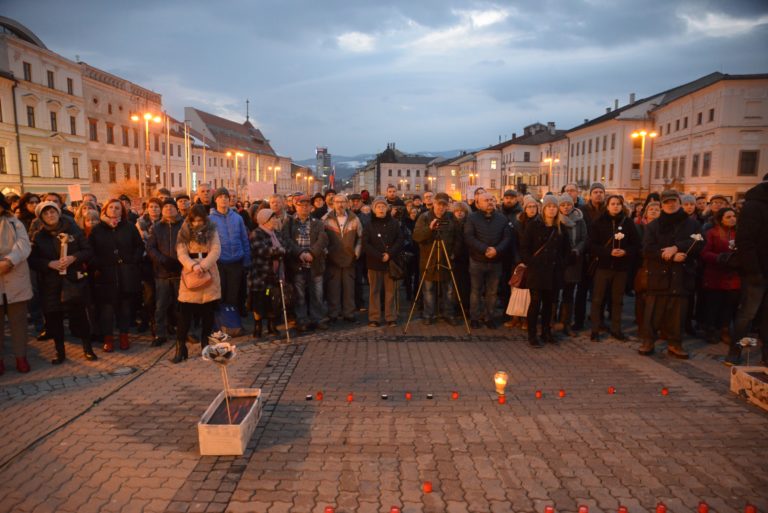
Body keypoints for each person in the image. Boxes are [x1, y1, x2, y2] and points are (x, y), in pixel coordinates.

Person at [29, 201, 96, 363]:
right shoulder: (39, 236)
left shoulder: (73, 230)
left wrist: (74, 258)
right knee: (54, 318)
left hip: (73, 281)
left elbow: (88, 251)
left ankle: (88, 349)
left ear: (59, 213)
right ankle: (60, 352)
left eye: (53, 212)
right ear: (41, 218)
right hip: (51, 284)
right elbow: (33, 260)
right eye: (46, 213)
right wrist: (48, 264)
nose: (50, 215)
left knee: (80, 317)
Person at [638, 190, 702, 359]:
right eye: (666, 202)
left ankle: (675, 343)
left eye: (673, 201)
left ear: (679, 202)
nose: (670, 204)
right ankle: (648, 341)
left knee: (678, 312)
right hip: (659, 273)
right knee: (653, 311)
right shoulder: (653, 225)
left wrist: (677, 247)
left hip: (682, 274)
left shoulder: (692, 224)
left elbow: (699, 243)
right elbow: (647, 250)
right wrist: (671, 256)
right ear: (661, 204)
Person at [88, 198, 143, 352]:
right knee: (107, 310)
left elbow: (139, 246)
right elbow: (90, 251)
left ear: (122, 211)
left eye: (117, 208)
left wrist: (132, 261)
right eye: (110, 207)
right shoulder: (97, 229)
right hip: (105, 276)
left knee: (125, 309)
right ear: (104, 210)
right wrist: (99, 263)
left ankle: (124, 336)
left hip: (126, 275)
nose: (114, 210)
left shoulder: (129, 227)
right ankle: (108, 338)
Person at [726, 176, 768, 366]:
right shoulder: (754, 206)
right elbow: (745, 242)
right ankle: (736, 349)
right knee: (747, 315)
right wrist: (754, 271)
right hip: (757, 271)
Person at [587, 195, 639, 342]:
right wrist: (608, 252)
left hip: (621, 268)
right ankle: (595, 329)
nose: (616, 206)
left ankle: (616, 329)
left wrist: (626, 252)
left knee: (617, 300)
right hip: (603, 266)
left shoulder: (628, 223)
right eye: (613, 204)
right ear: (607, 206)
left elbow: (635, 244)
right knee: (598, 299)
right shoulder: (598, 222)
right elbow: (591, 245)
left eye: (618, 204)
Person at [520, 195, 570, 347]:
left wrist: (562, 263)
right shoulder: (534, 226)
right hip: (537, 272)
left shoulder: (561, 228)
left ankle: (546, 332)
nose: (552, 209)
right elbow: (525, 248)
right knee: (535, 303)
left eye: (554, 207)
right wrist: (532, 262)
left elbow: (566, 250)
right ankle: (532, 334)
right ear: (543, 209)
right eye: (549, 206)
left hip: (554, 272)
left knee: (550, 304)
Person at [174, 204, 221, 363]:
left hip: (209, 273)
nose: (197, 223)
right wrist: (193, 265)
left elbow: (216, 249)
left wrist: (204, 265)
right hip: (190, 274)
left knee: (208, 313)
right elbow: (181, 252)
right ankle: (181, 346)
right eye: (194, 220)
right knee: (184, 314)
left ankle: (205, 344)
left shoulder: (212, 230)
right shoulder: (183, 231)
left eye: (200, 220)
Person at [464, 192, 513, 329]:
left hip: (496, 261)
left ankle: (489, 317)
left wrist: (497, 250)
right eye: (486, 200)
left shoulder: (502, 218)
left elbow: (507, 238)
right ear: (478, 203)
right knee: (476, 290)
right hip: (477, 260)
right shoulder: (472, 218)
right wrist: (486, 249)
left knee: (492, 291)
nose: (490, 202)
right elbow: (469, 237)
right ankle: (475, 317)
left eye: (492, 199)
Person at [412, 192, 461, 325]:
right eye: (438, 204)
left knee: (449, 290)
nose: (441, 207)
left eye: (444, 205)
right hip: (429, 258)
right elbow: (416, 236)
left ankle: (448, 314)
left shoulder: (451, 218)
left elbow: (458, 238)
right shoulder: (424, 217)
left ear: (447, 206)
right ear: (433, 204)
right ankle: (428, 315)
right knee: (428, 289)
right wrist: (430, 228)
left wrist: (454, 253)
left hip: (447, 258)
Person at [283, 195, 328, 332]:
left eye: (306, 206)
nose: (304, 208)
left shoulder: (318, 222)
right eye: (301, 206)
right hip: (297, 264)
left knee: (317, 294)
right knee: (300, 295)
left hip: (315, 263)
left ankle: (317, 319)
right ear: (295, 207)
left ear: (311, 207)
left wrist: (312, 253)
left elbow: (322, 240)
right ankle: (301, 319)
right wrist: (300, 253)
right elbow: (286, 239)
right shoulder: (289, 222)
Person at [0, 192, 33, 374]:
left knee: (18, 323)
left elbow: (23, 244)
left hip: (15, 275)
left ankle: (21, 357)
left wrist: (9, 261)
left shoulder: (14, 221)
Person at [699, 207, 739, 345]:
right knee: (713, 304)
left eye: (734, 216)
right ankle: (711, 330)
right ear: (720, 218)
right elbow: (704, 253)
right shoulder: (712, 233)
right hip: (715, 275)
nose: (732, 218)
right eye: (728, 217)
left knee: (729, 305)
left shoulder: (739, 233)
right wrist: (720, 258)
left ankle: (725, 329)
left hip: (734, 277)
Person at [146, 199, 183, 346]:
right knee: (161, 305)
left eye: (171, 206)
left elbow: (190, 245)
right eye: (165, 207)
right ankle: (160, 334)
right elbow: (150, 248)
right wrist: (163, 260)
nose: (168, 209)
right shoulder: (156, 228)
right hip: (162, 273)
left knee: (181, 305)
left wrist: (180, 260)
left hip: (181, 272)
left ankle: (184, 332)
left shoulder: (184, 225)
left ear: (176, 209)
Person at [363, 196, 403, 327]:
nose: (381, 209)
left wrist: (389, 254)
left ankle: (390, 317)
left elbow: (399, 240)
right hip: (374, 262)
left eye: (383, 206)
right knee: (374, 291)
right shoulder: (369, 225)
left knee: (390, 291)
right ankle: (374, 317)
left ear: (387, 208)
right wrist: (379, 255)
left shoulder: (394, 223)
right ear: (374, 210)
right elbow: (365, 244)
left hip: (390, 262)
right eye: (378, 207)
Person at [209, 188, 251, 310]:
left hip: (236, 261)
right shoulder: (210, 219)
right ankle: (221, 323)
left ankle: (232, 324)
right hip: (219, 263)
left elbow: (244, 239)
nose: (224, 199)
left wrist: (247, 260)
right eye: (220, 196)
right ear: (216, 200)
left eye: (226, 197)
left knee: (233, 294)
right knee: (220, 293)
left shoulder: (237, 218)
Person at [324, 194, 363, 323]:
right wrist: (326, 252)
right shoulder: (326, 219)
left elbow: (360, 237)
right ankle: (333, 313)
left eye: (343, 202)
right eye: (337, 202)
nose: (340, 204)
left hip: (349, 258)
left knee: (349, 287)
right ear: (333, 203)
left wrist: (356, 252)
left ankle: (349, 313)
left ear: (347, 203)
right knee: (333, 288)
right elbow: (321, 238)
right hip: (332, 258)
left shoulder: (354, 219)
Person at [573, 182, 607, 331]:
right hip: (585, 257)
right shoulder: (582, 210)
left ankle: (598, 320)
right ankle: (579, 320)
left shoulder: (608, 211)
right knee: (581, 291)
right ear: (590, 195)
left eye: (601, 192)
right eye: (596, 192)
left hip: (602, 257)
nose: (598, 194)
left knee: (600, 292)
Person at [249, 208, 287, 338]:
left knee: (273, 300)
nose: (275, 220)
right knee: (259, 301)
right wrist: (279, 250)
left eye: (275, 218)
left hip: (275, 273)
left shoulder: (277, 233)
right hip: (260, 274)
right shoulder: (256, 233)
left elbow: (284, 247)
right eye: (273, 218)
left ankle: (272, 325)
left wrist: (279, 250)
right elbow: (263, 251)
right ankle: (258, 325)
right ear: (264, 221)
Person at [557, 194, 587, 335]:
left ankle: (566, 323)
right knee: (554, 294)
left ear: (572, 205)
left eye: (568, 204)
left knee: (569, 294)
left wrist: (577, 250)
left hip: (573, 261)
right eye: (562, 205)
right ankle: (551, 322)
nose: (566, 207)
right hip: (557, 261)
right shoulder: (555, 220)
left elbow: (584, 238)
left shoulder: (580, 221)